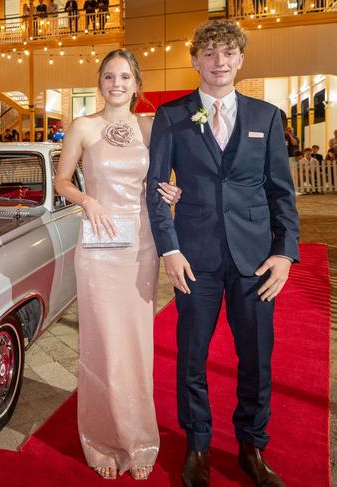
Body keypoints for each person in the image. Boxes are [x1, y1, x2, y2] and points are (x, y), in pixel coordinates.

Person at [147, 20, 299, 487]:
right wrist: (169, 249)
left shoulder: (267, 117)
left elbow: (281, 193)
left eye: (229, 53)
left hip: (256, 262)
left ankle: (252, 445)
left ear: (240, 60)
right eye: (210, 54)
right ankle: (197, 445)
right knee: (191, 356)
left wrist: (285, 254)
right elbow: (156, 191)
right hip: (194, 259)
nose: (220, 62)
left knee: (257, 358)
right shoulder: (171, 116)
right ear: (195, 60)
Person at [55, 49, 181, 481]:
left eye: (125, 76)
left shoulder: (149, 127)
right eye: (109, 76)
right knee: (102, 341)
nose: (116, 83)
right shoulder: (83, 127)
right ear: (100, 81)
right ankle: (101, 438)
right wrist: (88, 199)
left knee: (137, 343)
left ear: (136, 82)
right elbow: (62, 181)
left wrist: (173, 195)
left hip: (139, 247)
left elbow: (162, 181)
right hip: (98, 247)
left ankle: (140, 437)